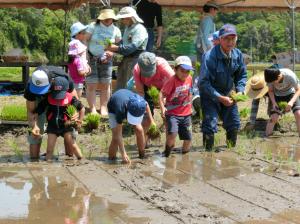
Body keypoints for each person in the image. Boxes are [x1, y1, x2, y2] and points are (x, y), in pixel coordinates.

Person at [199, 24, 247, 151]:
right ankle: (207, 154)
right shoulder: (209, 57)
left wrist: (240, 90)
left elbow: (242, 75)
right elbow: (203, 83)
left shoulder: (238, 55)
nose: (230, 42)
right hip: (210, 94)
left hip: (228, 93)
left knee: (234, 123)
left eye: (232, 39)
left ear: (236, 40)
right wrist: (219, 97)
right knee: (210, 124)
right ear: (220, 39)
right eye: (226, 39)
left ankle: (231, 152)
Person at [24, 66, 78, 159]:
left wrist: (73, 114)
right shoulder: (30, 86)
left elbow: (74, 99)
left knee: (68, 129)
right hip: (39, 101)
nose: (40, 92)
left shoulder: (63, 79)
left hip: (60, 97)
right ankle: (34, 160)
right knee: (35, 133)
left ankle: (69, 157)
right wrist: (34, 126)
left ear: (51, 81)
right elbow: (31, 111)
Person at [34, 77, 85, 161]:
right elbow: (38, 111)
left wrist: (80, 120)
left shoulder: (70, 98)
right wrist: (34, 124)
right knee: (49, 149)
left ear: (67, 90)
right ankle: (48, 165)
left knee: (73, 145)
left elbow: (82, 108)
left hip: (66, 126)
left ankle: (81, 160)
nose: (58, 97)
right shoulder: (48, 98)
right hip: (52, 127)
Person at [86, 8, 122, 115]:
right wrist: (86, 56)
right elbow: (85, 40)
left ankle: (103, 107)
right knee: (91, 84)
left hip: (107, 59)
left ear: (113, 19)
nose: (108, 19)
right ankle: (92, 108)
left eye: (110, 18)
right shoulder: (92, 26)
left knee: (106, 84)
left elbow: (119, 46)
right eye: (105, 17)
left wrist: (113, 53)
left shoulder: (116, 30)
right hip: (92, 58)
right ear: (101, 18)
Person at [107, 89, 155, 163]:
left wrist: (152, 121)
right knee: (115, 138)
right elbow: (119, 134)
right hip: (113, 107)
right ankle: (111, 159)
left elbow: (146, 104)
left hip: (129, 103)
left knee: (139, 130)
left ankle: (142, 155)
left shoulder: (140, 102)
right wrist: (123, 154)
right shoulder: (120, 110)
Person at [106, 6, 148, 90]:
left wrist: (115, 48)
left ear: (129, 18)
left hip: (135, 60)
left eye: (123, 18)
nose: (122, 21)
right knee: (121, 84)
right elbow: (124, 43)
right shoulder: (127, 28)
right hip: (126, 59)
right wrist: (112, 47)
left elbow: (132, 47)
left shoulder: (139, 29)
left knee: (131, 86)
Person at [159, 56, 194, 157]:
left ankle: (185, 157)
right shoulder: (172, 81)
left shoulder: (190, 78)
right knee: (172, 135)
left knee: (188, 139)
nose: (185, 74)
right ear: (175, 69)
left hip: (186, 113)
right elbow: (161, 94)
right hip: (173, 113)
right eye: (182, 71)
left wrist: (190, 105)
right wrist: (162, 108)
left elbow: (189, 92)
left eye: (187, 71)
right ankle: (166, 154)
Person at [133, 51, 174, 132]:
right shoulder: (136, 70)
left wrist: (165, 100)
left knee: (167, 113)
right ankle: (146, 137)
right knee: (146, 115)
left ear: (155, 64)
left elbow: (174, 83)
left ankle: (169, 135)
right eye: (146, 73)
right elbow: (141, 93)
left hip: (164, 88)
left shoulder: (162, 65)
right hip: (147, 88)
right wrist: (147, 110)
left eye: (151, 71)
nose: (149, 76)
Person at [264, 68, 300, 136]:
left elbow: (298, 90)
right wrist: (274, 103)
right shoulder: (270, 78)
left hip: (291, 93)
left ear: (279, 76)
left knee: (298, 114)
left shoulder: (290, 76)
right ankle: (266, 137)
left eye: (274, 81)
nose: (273, 83)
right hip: (277, 95)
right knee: (273, 117)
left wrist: (291, 102)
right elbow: (270, 91)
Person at [68, 22, 91, 98]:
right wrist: (87, 71)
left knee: (71, 97)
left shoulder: (72, 60)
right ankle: (75, 109)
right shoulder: (78, 60)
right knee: (77, 98)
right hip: (78, 80)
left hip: (72, 78)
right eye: (83, 32)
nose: (85, 34)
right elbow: (80, 72)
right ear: (77, 34)